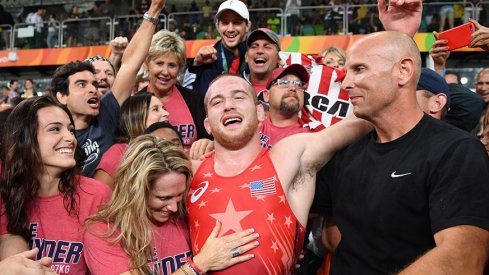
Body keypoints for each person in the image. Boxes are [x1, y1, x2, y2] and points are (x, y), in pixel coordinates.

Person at [313, 31, 489, 274]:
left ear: (404, 71)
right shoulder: (345, 151)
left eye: (359, 69)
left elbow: (464, 258)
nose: (345, 84)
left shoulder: (456, 150)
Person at [186, 73, 372, 274]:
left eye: (239, 97)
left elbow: (362, 121)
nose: (228, 105)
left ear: (260, 112)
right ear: (206, 125)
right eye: (217, 101)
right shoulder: (190, 170)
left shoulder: (288, 157)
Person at [84, 135, 259, 275]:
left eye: (179, 195)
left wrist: (211, 151)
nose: (174, 208)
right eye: (163, 198)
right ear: (134, 191)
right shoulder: (103, 232)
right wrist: (199, 265)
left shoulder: (185, 213)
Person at [51, 0, 165, 177]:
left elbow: (131, 64)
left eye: (94, 84)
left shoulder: (106, 114)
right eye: (82, 84)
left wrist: (155, 9)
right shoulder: (48, 131)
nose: (93, 89)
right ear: (62, 96)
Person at [0, 96, 111, 274]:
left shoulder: (96, 194)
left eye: (71, 130)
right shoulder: (9, 190)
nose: (70, 138)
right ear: (25, 139)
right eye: (55, 129)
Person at [137, 30, 212, 151]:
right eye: (159, 63)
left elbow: (209, 140)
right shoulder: (136, 104)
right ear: (147, 64)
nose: (165, 72)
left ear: (179, 68)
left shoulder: (195, 100)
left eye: (172, 65)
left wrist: (207, 143)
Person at [94, 93, 170, 188]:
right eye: (155, 109)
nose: (167, 114)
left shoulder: (170, 149)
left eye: (164, 108)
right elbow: (100, 195)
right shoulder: (119, 153)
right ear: (136, 117)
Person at [188, 0, 251, 95]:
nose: (230, 29)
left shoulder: (255, 57)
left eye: (236, 22)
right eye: (225, 23)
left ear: (247, 26)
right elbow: (188, 94)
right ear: (217, 27)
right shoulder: (206, 57)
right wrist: (196, 65)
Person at [260, 64, 311, 148]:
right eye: (284, 82)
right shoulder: (252, 126)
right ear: (267, 95)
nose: (293, 88)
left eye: (298, 84)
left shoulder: (309, 138)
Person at [244, 28, 281, 101]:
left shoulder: (288, 89)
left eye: (267, 47)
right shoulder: (236, 86)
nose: (260, 51)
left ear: (278, 57)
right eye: (254, 46)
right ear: (246, 57)